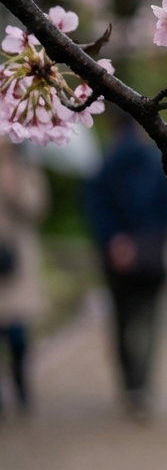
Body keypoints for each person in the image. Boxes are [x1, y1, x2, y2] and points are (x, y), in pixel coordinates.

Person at [83, 112, 167, 418]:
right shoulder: (157, 160)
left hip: (116, 258)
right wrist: (148, 238)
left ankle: (129, 386)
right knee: (148, 321)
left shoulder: (104, 166)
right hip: (151, 255)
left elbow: (94, 208)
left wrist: (116, 242)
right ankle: (142, 387)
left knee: (121, 323)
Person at [0, 142, 49, 416]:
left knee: (18, 334)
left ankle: (21, 384)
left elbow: (37, 207)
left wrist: (14, 185)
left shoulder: (24, 165)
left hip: (17, 263)